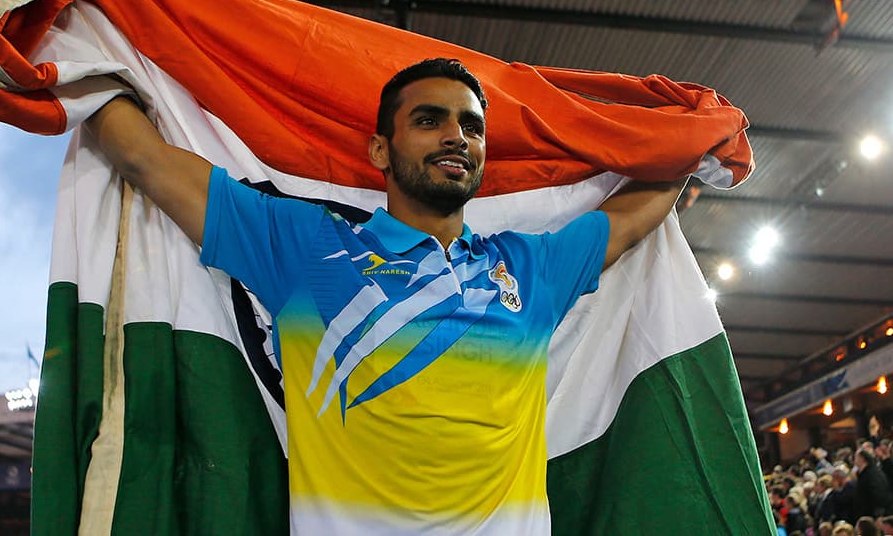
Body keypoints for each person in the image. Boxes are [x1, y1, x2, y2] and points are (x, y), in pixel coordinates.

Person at [84, 58, 688, 533]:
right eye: (429, 120)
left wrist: (695, 143)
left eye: (471, 126)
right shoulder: (308, 250)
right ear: (380, 150)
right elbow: (144, 159)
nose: (456, 137)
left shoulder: (529, 270)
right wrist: (84, 57)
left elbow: (634, 214)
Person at [855, 449, 893, 521]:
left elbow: (880, 493)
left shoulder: (872, 474)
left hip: (876, 514)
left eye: (856, 457)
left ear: (862, 458)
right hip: (869, 513)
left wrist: (878, 513)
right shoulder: (865, 473)